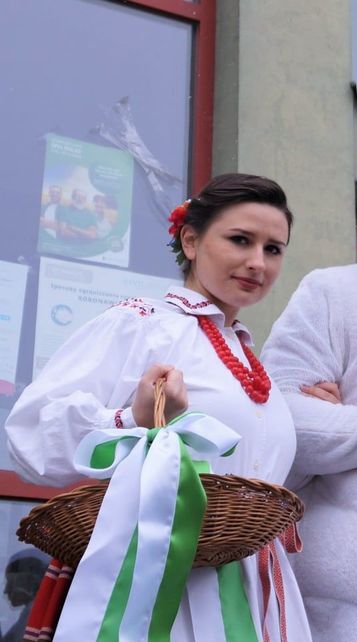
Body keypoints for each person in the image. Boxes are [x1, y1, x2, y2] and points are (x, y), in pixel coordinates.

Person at [5, 173, 315, 641]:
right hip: (161, 581)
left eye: (273, 249)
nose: (258, 262)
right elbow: (29, 432)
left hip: (250, 583)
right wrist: (131, 419)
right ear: (190, 240)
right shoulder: (142, 324)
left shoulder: (248, 357)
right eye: (240, 240)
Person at [1, 550, 48, 642]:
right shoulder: (30, 612)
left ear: (31, 581)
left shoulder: (35, 615)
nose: (6, 590)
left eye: (11, 583)